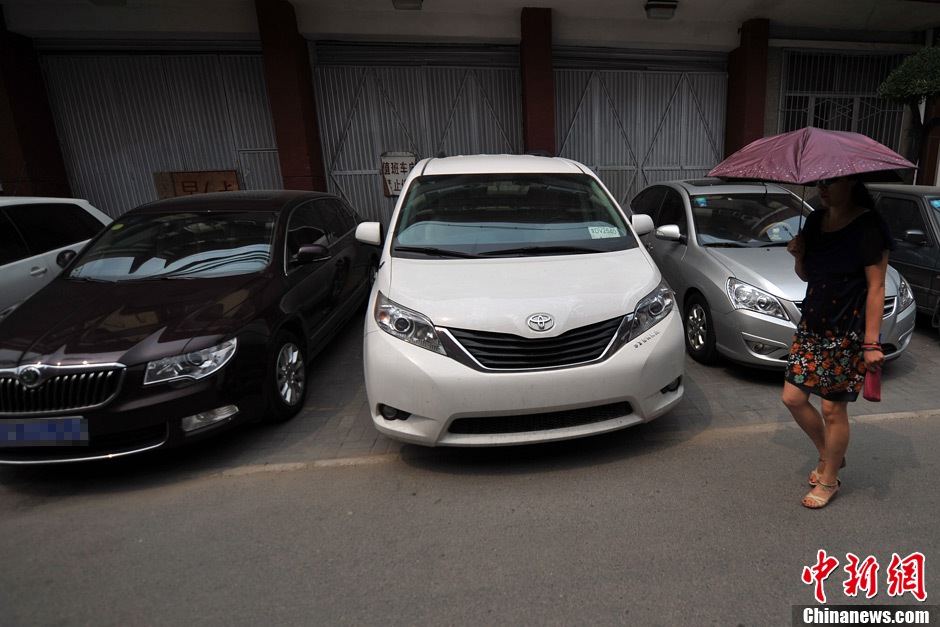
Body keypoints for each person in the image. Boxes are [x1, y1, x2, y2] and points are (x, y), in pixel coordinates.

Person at [783, 175, 895, 509]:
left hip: (847, 331)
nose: (823, 187)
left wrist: (872, 342)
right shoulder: (815, 219)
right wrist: (798, 256)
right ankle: (829, 454)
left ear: (852, 183)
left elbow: (876, 287)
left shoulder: (869, 225)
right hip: (812, 325)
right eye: (820, 181)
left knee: (832, 408)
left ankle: (829, 478)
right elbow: (808, 276)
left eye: (831, 181)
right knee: (792, 397)